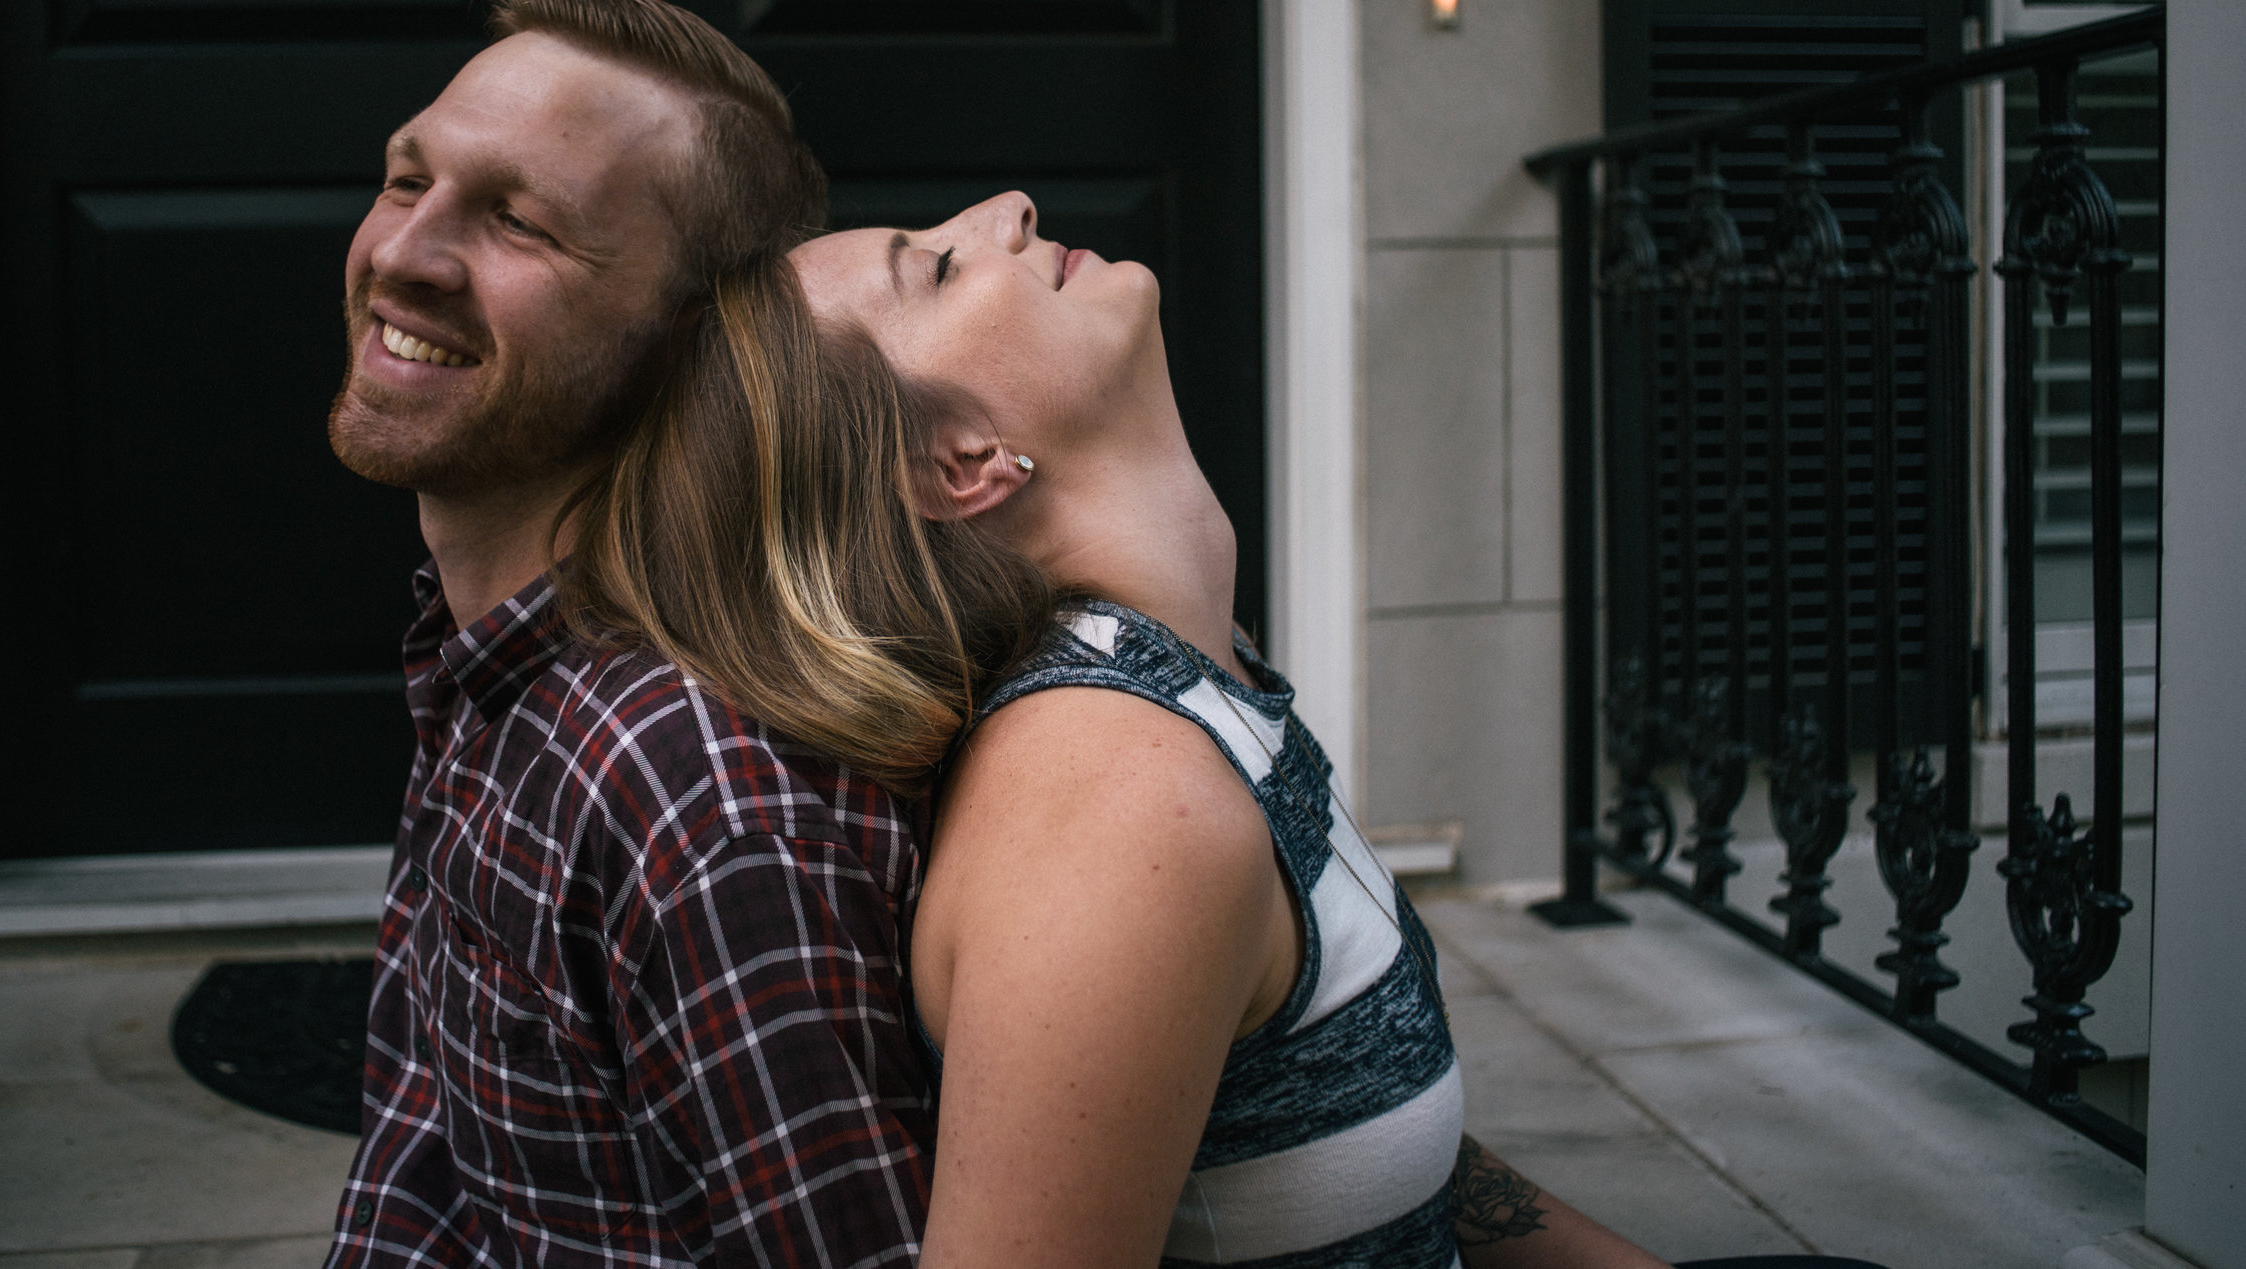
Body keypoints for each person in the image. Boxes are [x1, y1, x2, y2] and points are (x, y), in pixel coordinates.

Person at [560, 192, 1890, 1269]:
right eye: (940, 267)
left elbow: (1332, 1113)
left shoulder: (1196, 682)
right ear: (960, 460)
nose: (1009, 210)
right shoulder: (1120, 806)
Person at [320, 0, 939, 1267]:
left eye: (519, 221)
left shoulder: (694, 798)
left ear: (685, 341)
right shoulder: (487, 658)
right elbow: (428, 1164)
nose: (404, 254)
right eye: (404, 179)